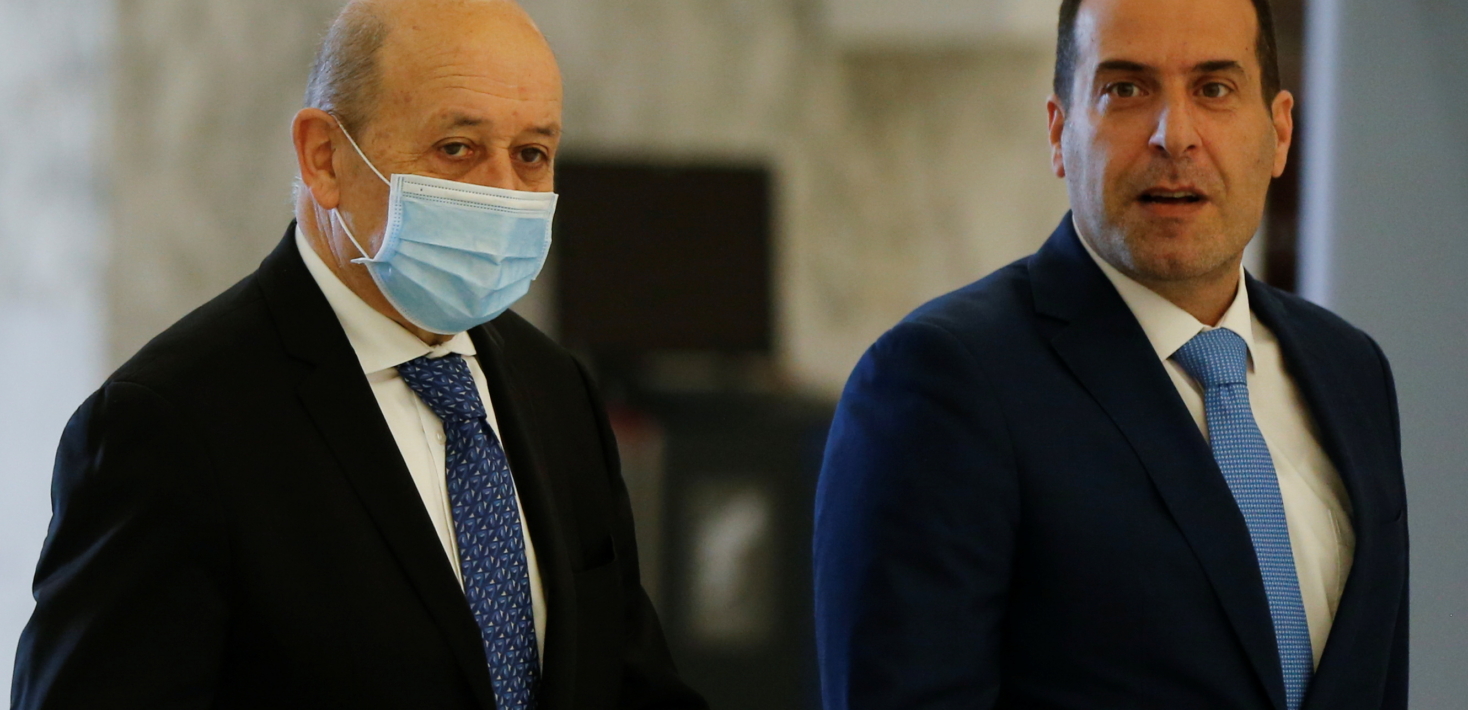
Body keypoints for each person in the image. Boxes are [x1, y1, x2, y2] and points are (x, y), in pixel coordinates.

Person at [11, 1, 707, 708]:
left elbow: (631, 684)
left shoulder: (556, 389)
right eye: (457, 148)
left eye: (531, 154)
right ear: (325, 157)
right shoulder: (170, 425)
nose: (503, 193)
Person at [813, 0, 1408, 708]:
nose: (1174, 135)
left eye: (1214, 88)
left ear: (1279, 132)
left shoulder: (1351, 370)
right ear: (1059, 132)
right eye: (1125, 89)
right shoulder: (942, 382)